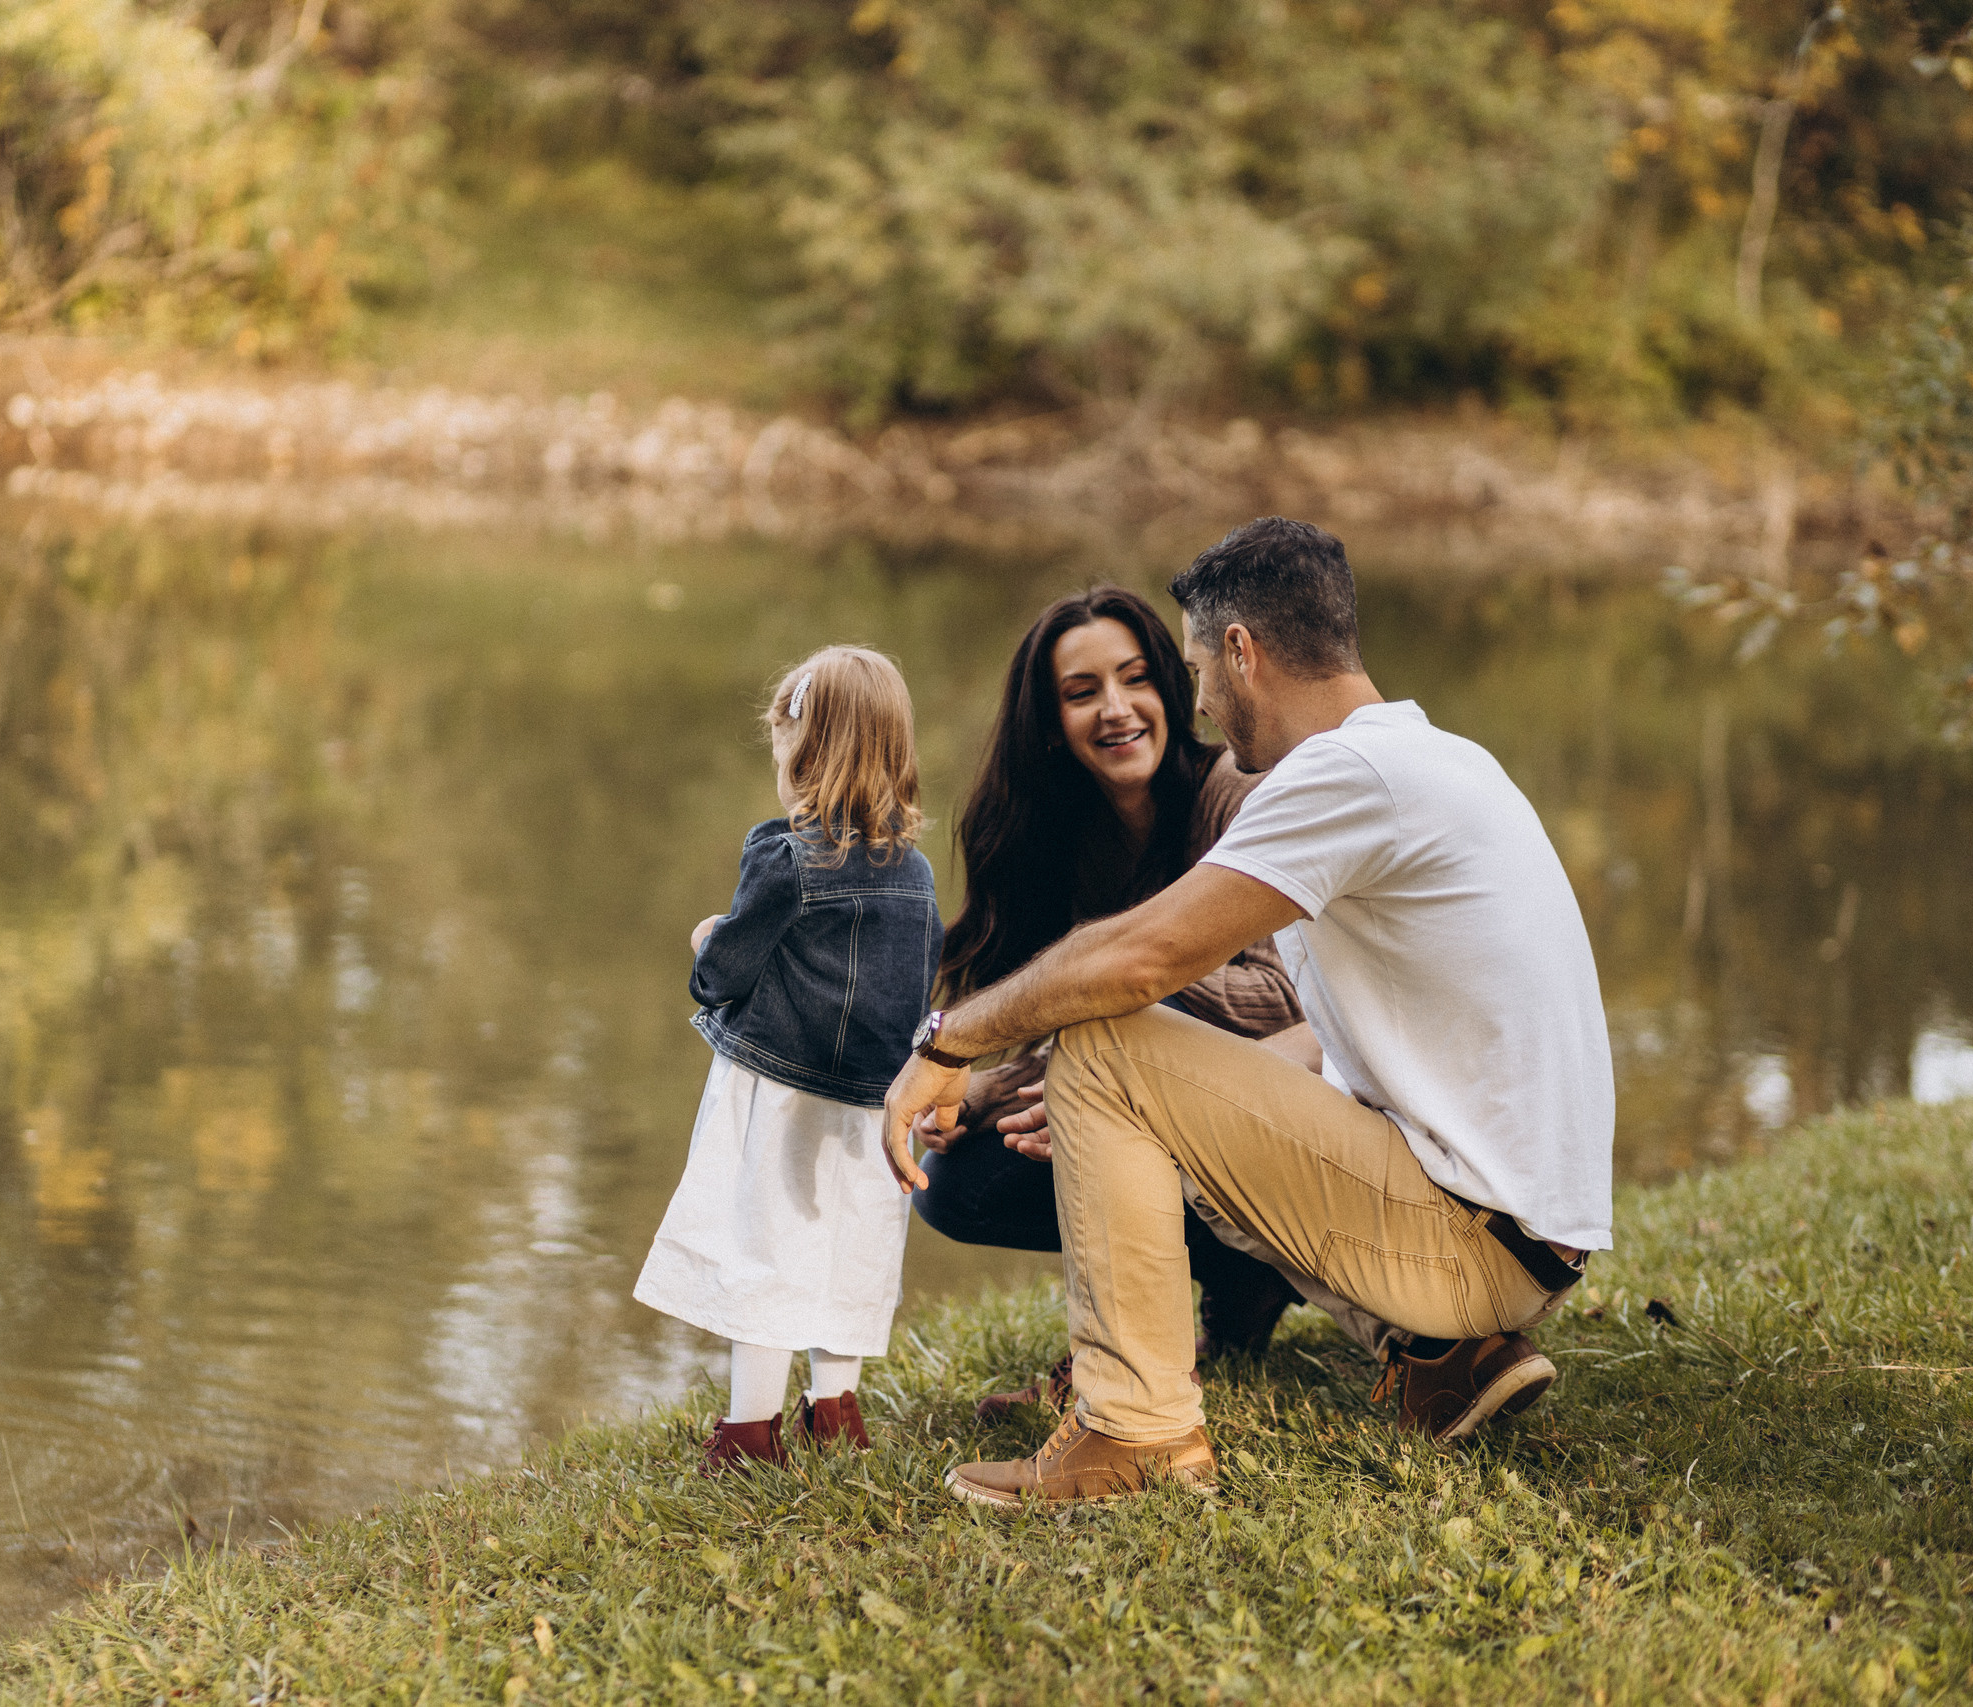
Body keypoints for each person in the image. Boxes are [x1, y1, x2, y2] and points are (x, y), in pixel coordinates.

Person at [880, 518, 1615, 1507]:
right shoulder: (1432, 755)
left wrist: (953, 1042)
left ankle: (1134, 1431)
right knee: (1169, 1089)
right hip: (1508, 1236)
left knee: (1107, 1045)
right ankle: (1437, 1354)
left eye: (1191, 668)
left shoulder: (1341, 774)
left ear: (1240, 650)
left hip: (1471, 1243)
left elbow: (1141, 959)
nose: (1200, 702)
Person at [910, 588, 1402, 1414]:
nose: (1115, 709)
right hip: (1160, 1092)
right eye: (1081, 692)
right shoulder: (1049, 834)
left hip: (1296, 1101)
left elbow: (1283, 994)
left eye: (1134, 678)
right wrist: (988, 1084)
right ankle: (1222, 1287)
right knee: (959, 1177)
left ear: (1172, 688)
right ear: (1048, 719)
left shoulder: (1236, 794)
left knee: (1095, 1089)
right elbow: (1058, 1016)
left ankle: (1165, 1333)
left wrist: (1123, 965)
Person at [635, 646, 944, 1472]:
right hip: (873, 1110)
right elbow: (921, 996)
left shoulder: (785, 858)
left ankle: (749, 1432)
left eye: (782, 748)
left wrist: (705, 942)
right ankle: (834, 1410)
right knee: (851, 1254)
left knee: (765, 1254)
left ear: (803, 756)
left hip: (780, 1099)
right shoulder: (917, 876)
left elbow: (728, 970)